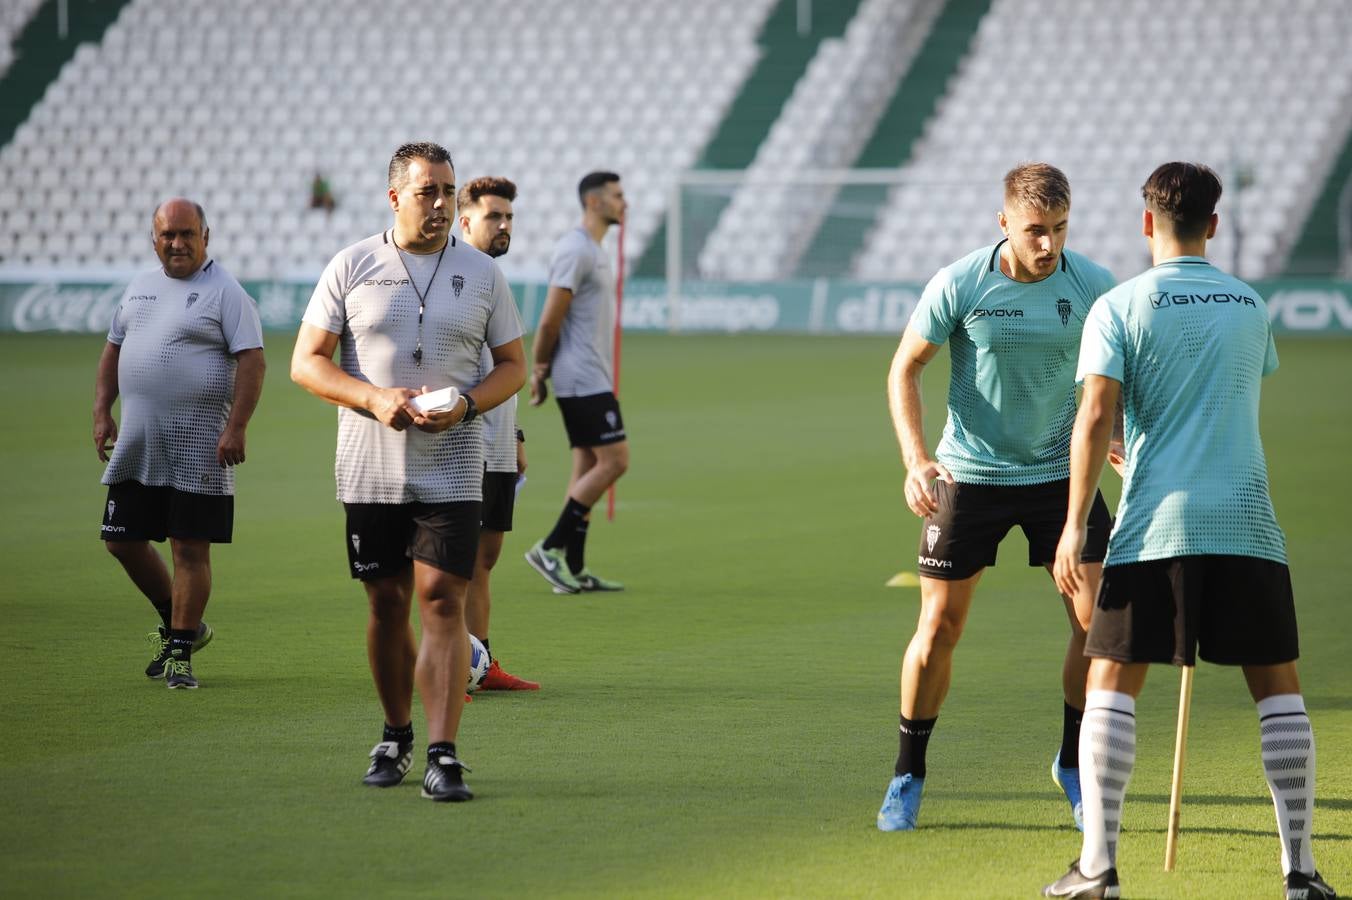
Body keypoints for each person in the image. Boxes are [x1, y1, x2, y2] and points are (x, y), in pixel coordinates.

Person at [1042, 162, 1337, 900]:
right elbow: (1219, 399)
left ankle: (1098, 869)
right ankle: (1301, 873)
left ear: (1147, 224)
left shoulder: (1117, 306)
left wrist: (1075, 524)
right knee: (1277, 690)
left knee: (1110, 682)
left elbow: (1094, 418)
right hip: (1247, 520)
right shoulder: (1248, 305)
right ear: (1213, 223)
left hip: (1152, 527)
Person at [876, 163, 1118, 833]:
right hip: (969, 477)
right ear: (1003, 222)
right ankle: (907, 773)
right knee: (938, 632)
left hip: (1062, 478)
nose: (1049, 245)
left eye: (1061, 229)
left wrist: (1118, 431)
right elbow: (905, 369)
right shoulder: (961, 283)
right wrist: (916, 460)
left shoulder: (1093, 284)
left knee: (1097, 630)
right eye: (1036, 230)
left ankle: (1073, 765)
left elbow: (1122, 371)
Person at [290, 142, 526, 802]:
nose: (443, 204)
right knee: (386, 602)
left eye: (449, 191)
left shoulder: (482, 275)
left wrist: (470, 404)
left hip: (453, 468)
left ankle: (445, 754)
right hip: (369, 469)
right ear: (395, 196)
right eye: (429, 192)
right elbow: (306, 361)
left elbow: (513, 364)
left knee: (441, 602)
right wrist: (373, 399)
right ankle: (396, 734)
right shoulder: (352, 264)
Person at [94, 198, 266, 690]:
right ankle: (179, 621)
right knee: (121, 540)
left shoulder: (226, 292)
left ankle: (181, 655)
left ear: (205, 237)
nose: (177, 243)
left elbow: (253, 362)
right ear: (154, 240)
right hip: (139, 441)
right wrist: (102, 409)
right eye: (168, 235)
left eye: (187, 234)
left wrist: (237, 427)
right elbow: (114, 348)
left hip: (201, 445)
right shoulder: (140, 287)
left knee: (189, 549)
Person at [523, 171, 628, 594]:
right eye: (618, 196)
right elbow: (550, 318)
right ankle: (549, 549)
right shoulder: (575, 249)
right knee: (616, 461)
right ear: (594, 202)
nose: (625, 202)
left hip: (591, 372)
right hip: (580, 375)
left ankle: (575, 567)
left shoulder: (596, 249)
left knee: (587, 465)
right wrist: (539, 369)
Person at [456, 175, 539, 690]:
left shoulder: (494, 278)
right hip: (462, 442)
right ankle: (451, 666)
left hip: (499, 439)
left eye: (509, 217)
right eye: (494, 217)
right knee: (456, 562)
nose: (505, 225)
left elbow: (505, 364)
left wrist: (516, 431)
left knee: (486, 558)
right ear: (465, 221)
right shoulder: (455, 276)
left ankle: (479, 665)